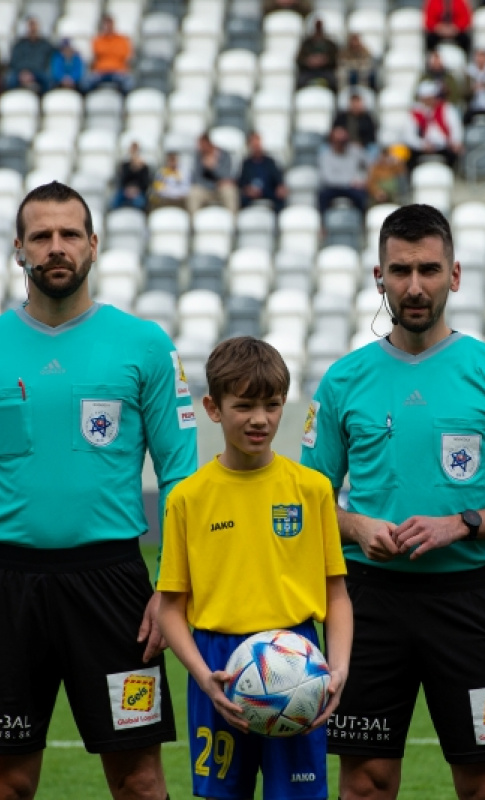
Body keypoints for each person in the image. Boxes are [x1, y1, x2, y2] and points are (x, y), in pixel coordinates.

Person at [300, 203, 485, 800]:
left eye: (428, 270)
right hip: (366, 607)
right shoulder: (343, 380)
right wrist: (356, 526)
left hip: (469, 609)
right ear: (379, 277)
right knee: (366, 783)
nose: (414, 287)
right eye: (400, 271)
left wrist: (462, 524)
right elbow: (303, 504)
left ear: (455, 275)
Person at [0, 181, 197, 799]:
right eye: (41, 236)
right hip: (7, 586)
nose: (56, 248)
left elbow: (182, 480)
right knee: (9, 780)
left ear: (93, 244)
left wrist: (171, 586)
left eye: (68, 235)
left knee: (138, 781)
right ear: (19, 250)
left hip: (113, 588)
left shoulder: (144, 345)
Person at [157, 335, 353, 800]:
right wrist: (204, 677)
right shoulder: (188, 498)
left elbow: (337, 595)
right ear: (213, 407)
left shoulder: (311, 489)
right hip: (218, 666)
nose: (260, 419)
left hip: (298, 660)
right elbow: (169, 609)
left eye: (272, 404)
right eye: (244, 405)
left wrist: (339, 669)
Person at [404, 81, 464, 171]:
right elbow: (409, 136)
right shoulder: (414, 113)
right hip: (421, 147)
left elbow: (455, 127)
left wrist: (455, 141)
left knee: (454, 154)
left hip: (443, 146)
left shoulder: (446, 108)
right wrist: (422, 145)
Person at [317, 125, 370, 216]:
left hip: (352, 188)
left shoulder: (356, 151)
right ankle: (322, 225)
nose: (342, 143)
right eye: (339, 141)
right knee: (322, 196)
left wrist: (362, 179)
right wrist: (350, 181)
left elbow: (369, 164)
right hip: (333, 187)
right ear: (332, 141)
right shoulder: (325, 156)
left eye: (344, 141)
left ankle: (362, 222)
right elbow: (328, 178)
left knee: (362, 196)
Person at [187, 132, 238, 216]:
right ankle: (194, 224)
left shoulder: (225, 155)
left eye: (202, 145)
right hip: (205, 188)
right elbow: (196, 178)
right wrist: (212, 185)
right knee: (193, 193)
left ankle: (232, 223)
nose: (200, 148)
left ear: (209, 143)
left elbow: (227, 175)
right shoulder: (198, 156)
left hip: (221, 189)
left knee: (230, 191)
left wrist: (213, 168)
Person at [237, 131, 288, 211]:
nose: (257, 146)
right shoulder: (246, 164)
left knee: (280, 198)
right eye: (254, 144)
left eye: (258, 143)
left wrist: (280, 186)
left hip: (268, 190)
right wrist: (248, 190)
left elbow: (278, 177)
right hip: (252, 193)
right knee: (242, 199)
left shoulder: (270, 162)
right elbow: (242, 182)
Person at [85, 14, 134, 94]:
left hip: (118, 70)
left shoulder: (122, 40)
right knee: (86, 83)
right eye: (106, 24)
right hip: (101, 70)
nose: (108, 27)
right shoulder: (97, 40)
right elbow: (95, 55)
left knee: (129, 83)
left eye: (110, 24)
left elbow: (126, 56)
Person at [5, 16, 53, 94]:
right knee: (10, 79)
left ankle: (43, 101)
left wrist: (32, 73)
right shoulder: (19, 44)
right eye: (30, 25)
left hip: (38, 71)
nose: (32, 28)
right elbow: (14, 61)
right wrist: (24, 73)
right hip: (20, 71)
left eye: (34, 25)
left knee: (47, 79)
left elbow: (48, 61)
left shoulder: (46, 45)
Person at [296, 17, 339, 91]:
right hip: (309, 70)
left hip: (325, 70)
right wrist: (309, 61)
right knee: (300, 82)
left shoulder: (330, 43)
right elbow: (299, 59)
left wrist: (324, 61)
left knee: (333, 82)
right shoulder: (306, 43)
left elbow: (335, 58)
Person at [110, 141, 151, 211]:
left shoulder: (144, 167)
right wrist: (132, 168)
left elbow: (145, 183)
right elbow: (122, 180)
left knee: (140, 203)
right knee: (114, 203)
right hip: (125, 191)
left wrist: (136, 189)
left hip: (138, 191)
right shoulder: (125, 165)